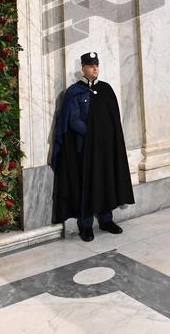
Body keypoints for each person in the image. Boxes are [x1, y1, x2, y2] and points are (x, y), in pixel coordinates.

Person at [51, 52, 134, 242]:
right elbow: (73, 120)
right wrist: (93, 136)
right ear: (83, 68)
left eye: (96, 65)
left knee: (105, 181)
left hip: (104, 150)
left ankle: (107, 220)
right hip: (84, 150)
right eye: (90, 65)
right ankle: (86, 225)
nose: (95, 68)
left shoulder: (106, 89)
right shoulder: (74, 92)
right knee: (85, 186)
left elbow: (113, 120)